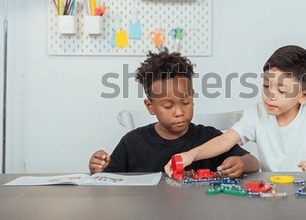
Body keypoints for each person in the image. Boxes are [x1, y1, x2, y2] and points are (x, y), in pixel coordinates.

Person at [165, 45, 306, 178]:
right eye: (266, 85)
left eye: (282, 91)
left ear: (304, 96)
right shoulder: (257, 113)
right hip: (272, 192)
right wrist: (190, 155)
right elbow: (226, 140)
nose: (270, 94)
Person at [89, 50, 259, 178]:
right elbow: (107, 179)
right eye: (168, 106)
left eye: (185, 102)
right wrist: (97, 170)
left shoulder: (209, 139)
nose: (179, 112)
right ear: (150, 106)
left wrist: (241, 164)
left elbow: (254, 162)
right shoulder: (132, 143)